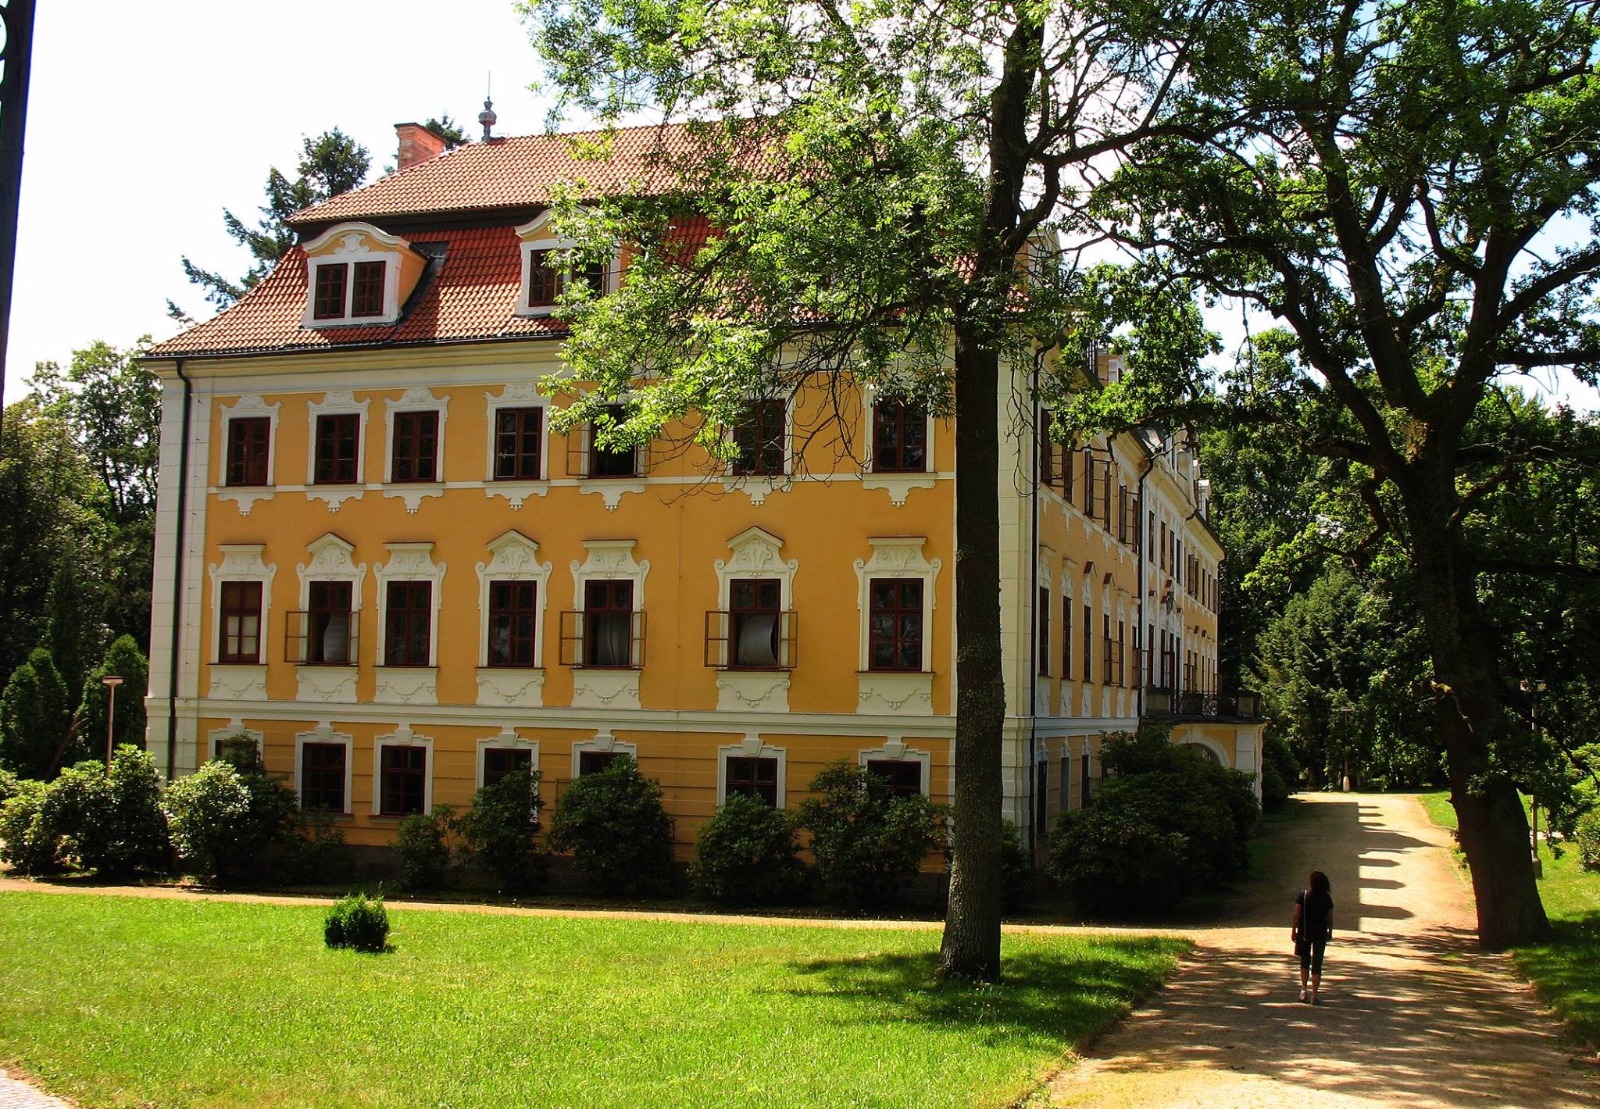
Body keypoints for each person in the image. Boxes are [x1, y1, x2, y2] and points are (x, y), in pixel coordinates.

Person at [1292, 870, 1334, 1003]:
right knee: (1317, 964)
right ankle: (1314, 995)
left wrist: (1294, 930)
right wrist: (1330, 931)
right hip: (1320, 933)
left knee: (1305, 961)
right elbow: (1330, 918)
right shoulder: (1326, 898)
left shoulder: (1303, 896)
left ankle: (1303, 990)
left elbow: (1297, 915)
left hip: (1305, 932)